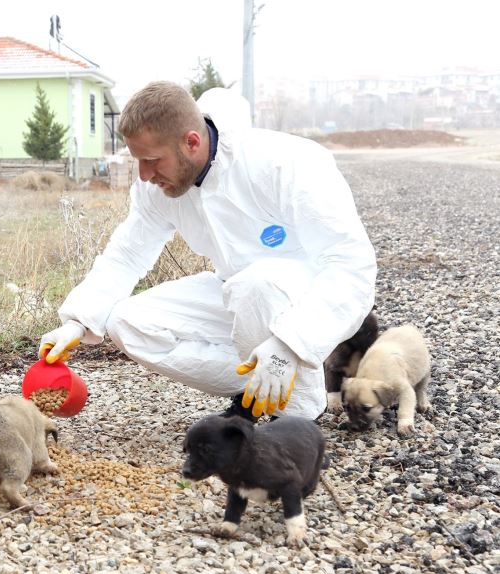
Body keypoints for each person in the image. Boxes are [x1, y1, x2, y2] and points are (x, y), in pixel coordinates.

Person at [39, 82, 376, 421]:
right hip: (236, 291)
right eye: (138, 161)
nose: (144, 175)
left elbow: (351, 266)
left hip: (310, 300)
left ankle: (296, 416)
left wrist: (292, 343)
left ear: (192, 142)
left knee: (256, 285)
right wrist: (78, 322)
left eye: (153, 160)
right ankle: (259, 382)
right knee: (127, 323)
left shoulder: (286, 162)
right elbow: (127, 253)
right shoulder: (156, 187)